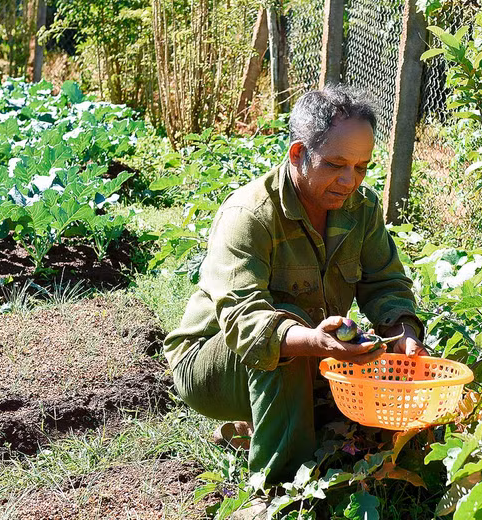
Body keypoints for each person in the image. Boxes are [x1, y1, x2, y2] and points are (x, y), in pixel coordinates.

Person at [163, 85, 427, 484]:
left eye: (361, 167)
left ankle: (267, 427)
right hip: (209, 361)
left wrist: (402, 332)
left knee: (375, 365)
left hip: (311, 350)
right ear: (299, 155)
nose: (349, 180)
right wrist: (314, 341)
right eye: (336, 164)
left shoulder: (362, 208)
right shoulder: (249, 214)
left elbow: (385, 284)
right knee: (286, 335)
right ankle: (280, 492)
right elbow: (245, 322)